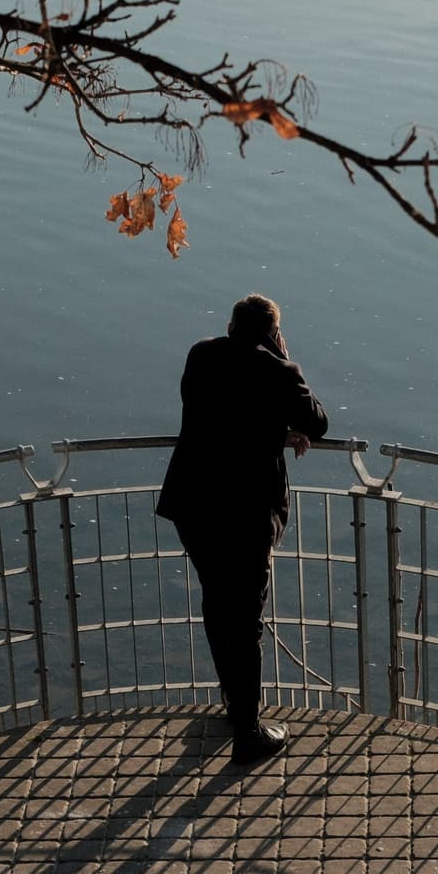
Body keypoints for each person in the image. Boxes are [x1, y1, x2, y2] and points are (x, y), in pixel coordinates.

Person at [155, 294, 330, 763]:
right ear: (273, 333)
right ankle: (249, 734)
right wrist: (283, 360)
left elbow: (220, 412)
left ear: (231, 325)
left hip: (194, 503)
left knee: (216, 601)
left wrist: (275, 425)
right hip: (247, 513)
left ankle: (234, 703)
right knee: (246, 619)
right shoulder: (278, 371)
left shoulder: (201, 354)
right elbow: (318, 421)